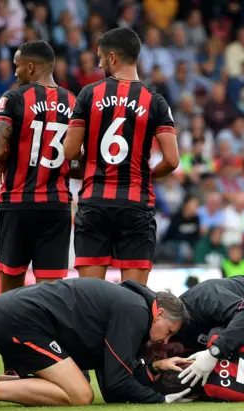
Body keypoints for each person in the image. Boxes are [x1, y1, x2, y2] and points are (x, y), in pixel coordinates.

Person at [0, 278, 192, 408]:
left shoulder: (133, 305)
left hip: (12, 314)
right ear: (158, 314)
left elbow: (115, 383)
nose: (165, 341)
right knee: (80, 394)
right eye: (168, 332)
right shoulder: (135, 312)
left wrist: (156, 367)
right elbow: (116, 383)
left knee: (72, 386)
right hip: (17, 320)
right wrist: (160, 401)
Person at [64, 27, 180, 285]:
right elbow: (172, 160)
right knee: (135, 298)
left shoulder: (88, 94)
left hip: (95, 203)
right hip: (136, 203)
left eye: (101, 58)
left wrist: (89, 163)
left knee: (90, 296)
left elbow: (70, 151)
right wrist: (145, 175)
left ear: (113, 58)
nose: (99, 63)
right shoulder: (155, 101)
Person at [0, 40, 76, 294]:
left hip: (17, 204)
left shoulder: (13, 98)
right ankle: (42, 336)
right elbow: (79, 157)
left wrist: (7, 157)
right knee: (49, 295)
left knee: (10, 293)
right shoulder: (73, 102)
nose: (15, 72)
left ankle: (11, 335)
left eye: (17, 67)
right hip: (56, 207)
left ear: (30, 67)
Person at [125, 275, 244, 388]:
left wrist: (215, 352)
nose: (166, 352)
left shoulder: (203, 297)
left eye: (163, 346)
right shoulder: (179, 336)